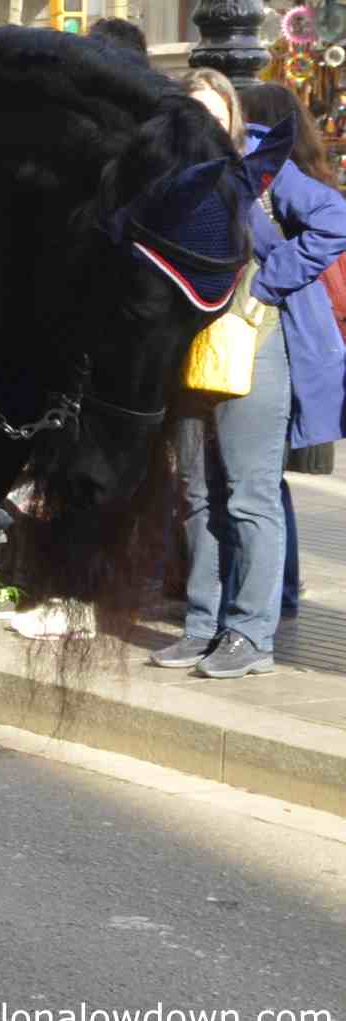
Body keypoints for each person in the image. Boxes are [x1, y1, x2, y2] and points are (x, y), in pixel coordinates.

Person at [152, 69, 346, 677]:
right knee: (198, 495)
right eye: (192, 115)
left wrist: (269, 280)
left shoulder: (261, 164)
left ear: (232, 117)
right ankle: (203, 625)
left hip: (253, 345)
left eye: (214, 113)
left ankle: (252, 635)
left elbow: (334, 218)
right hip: (188, 351)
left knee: (249, 494)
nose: (204, 126)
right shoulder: (166, 175)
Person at [239, 80, 342, 617]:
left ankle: (272, 594)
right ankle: (279, 588)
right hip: (301, 342)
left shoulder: (277, 177)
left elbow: (333, 224)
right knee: (264, 480)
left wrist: (266, 278)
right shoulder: (300, 174)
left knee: (258, 482)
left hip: (287, 341)